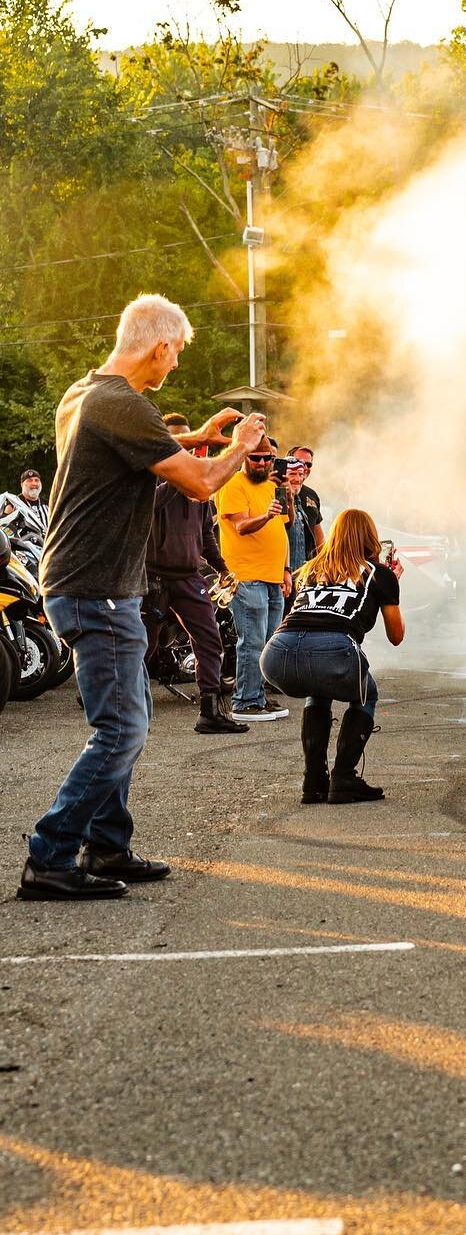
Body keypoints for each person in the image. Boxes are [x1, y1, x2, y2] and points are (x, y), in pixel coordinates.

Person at [20, 294, 266, 901]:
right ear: (159, 345)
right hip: (97, 588)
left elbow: (158, 453)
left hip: (92, 584)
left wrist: (204, 435)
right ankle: (49, 857)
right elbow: (202, 483)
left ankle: (107, 845)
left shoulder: (84, 393)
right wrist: (242, 445)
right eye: (177, 352)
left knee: (130, 719)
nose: (176, 364)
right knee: (121, 728)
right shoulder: (120, 404)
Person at [260, 509, 401, 804]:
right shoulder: (379, 574)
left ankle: (313, 781)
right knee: (366, 693)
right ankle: (344, 777)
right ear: (371, 539)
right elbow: (396, 636)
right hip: (331, 650)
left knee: (318, 690)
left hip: (277, 653)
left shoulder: (310, 569)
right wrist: (392, 584)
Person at [144, 412, 246, 736]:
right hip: (151, 576)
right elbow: (149, 506)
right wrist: (179, 476)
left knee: (209, 638)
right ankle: (119, 706)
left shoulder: (197, 483)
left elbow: (206, 534)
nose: (189, 449)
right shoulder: (149, 475)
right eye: (180, 442)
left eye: (190, 440)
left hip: (188, 576)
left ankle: (211, 710)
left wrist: (223, 568)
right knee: (142, 645)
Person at [215, 436, 291, 721]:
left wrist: (285, 570)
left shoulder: (273, 487)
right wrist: (266, 515)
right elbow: (242, 526)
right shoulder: (234, 485)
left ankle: (257, 695)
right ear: (244, 457)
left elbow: (282, 531)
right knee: (252, 641)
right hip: (245, 576)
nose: (261, 463)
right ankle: (244, 701)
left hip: (272, 576)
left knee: (270, 641)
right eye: (255, 457)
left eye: (267, 458)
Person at [0, 468, 50, 570]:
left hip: (46, 550)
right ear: (22, 484)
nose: (34, 483)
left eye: (36, 480)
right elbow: (4, 525)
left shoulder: (47, 505)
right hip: (23, 553)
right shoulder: (13, 503)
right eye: (29, 480)